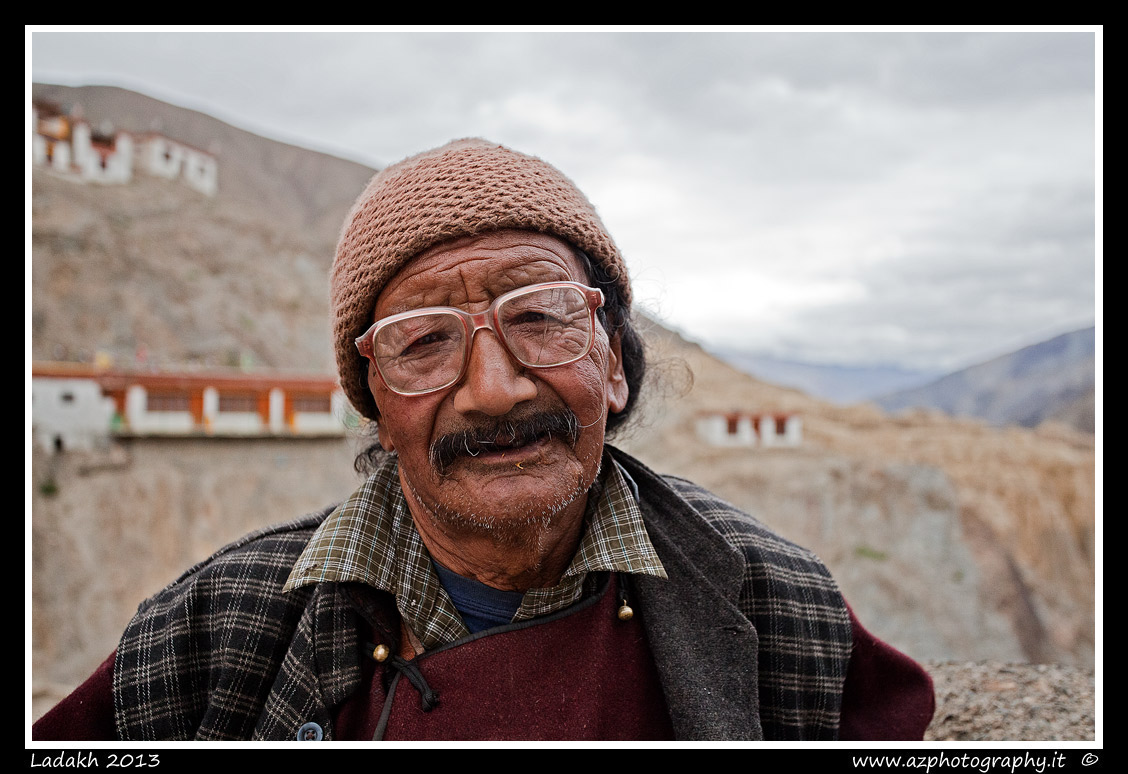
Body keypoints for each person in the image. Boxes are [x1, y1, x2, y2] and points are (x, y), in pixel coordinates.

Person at [33, 138, 934, 742]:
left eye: (539, 318)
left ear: (615, 363)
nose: (495, 389)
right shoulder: (209, 637)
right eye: (425, 342)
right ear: (377, 408)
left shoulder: (783, 611)